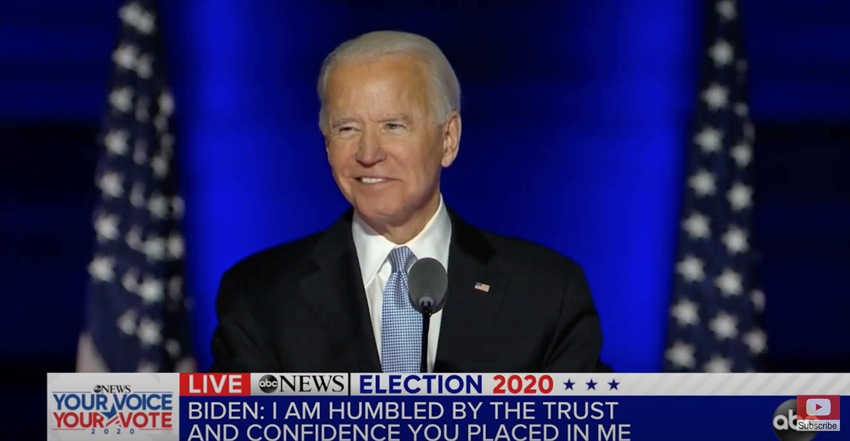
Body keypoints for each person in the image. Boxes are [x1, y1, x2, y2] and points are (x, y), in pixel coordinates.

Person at [210, 31, 611, 373]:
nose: (368, 153)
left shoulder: (547, 293)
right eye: (347, 128)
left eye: (393, 126)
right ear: (327, 144)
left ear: (448, 139)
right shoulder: (258, 296)